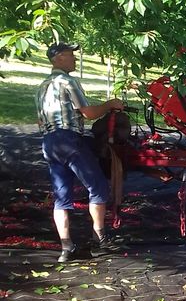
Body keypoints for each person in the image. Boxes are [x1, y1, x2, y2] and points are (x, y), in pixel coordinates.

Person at [35, 42, 125, 262]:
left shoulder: (41, 87)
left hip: (49, 143)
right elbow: (89, 113)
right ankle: (100, 239)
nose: (75, 59)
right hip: (69, 139)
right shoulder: (67, 81)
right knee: (98, 186)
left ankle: (67, 248)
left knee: (61, 196)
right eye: (70, 55)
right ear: (58, 59)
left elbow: (40, 120)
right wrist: (110, 104)